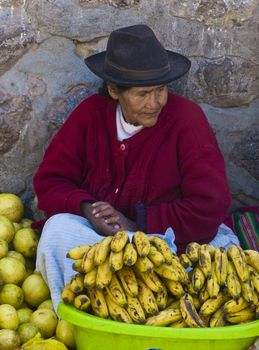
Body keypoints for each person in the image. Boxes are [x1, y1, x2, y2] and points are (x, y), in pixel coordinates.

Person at [33, 24, 239, 310]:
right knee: (57, 231)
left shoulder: (187, 121)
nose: (155, 103)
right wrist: (89, 211)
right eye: (143, 94)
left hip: (169, 246)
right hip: (102, 245)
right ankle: (82, 316)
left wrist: (135, 224)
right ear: (114, 90)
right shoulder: (89, 115)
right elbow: (50, 182)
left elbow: (210, 206)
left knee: (215, 267)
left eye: (161, 90)